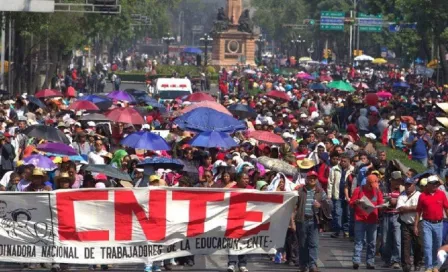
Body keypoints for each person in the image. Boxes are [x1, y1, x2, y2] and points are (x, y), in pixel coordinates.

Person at [415, 175, 448, 272]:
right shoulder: (422, 196)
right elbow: (418, 211)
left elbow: (446, 208)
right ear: (428, 185)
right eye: (433, 183)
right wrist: (416, 225)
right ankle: (428, 266)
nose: (435, 185)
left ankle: (435, 266)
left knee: (437, 245)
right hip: (426, 223)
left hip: (439, 223)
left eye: (436, 183)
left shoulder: (441, 194)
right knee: (428, 245)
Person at [350, 174, 384, 270]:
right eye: (371, 185)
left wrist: (382, 206)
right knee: (359, 241)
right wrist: (356, 202)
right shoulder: (358, 190)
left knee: (372, 242)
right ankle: (356, 260)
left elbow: (380, 203)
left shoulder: (377, 191)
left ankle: (370, 261)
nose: (372, 188)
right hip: (360, 219)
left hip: (372, 220)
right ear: (367, 183)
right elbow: (351, 203)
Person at [396, 177, 422, 272]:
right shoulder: (401, 195)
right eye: (406, 184)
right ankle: (406, 265)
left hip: (417, 222)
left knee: (418, 244)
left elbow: (420, 208)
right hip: (405, 223)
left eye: (409, 184)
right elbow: (400, 209)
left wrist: (406, 208)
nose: (407, 186)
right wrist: (414, 208)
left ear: (414, 185)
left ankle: (417, 263)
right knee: (405, 245)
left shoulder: (419, 195)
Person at [328, 153, 354, 238]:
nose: (342, 162)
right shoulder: (334, 169)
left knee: (347, 214)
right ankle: (337, 230)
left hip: (348, 196)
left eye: (345, 161)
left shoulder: (353, 170)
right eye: (341, 161)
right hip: (337, 195)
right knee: (337, 213)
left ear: (349, 162)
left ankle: (346, 231)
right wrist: (329, 195)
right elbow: (330, 182)